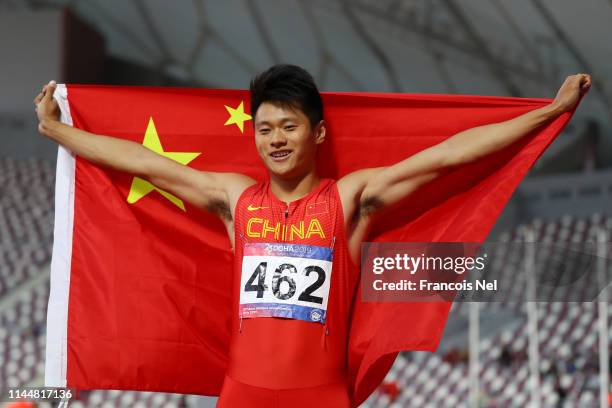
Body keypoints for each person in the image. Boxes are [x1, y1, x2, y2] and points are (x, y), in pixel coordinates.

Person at [34, 65, 591, 407]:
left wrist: (549, 112)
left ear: (317, 132)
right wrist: (58, 130)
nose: (275, 140)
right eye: (265, 129)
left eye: (289, 126)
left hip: (321, 398)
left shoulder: (350, 200)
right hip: (243, 396)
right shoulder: (235, 199)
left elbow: (445, 157)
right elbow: (145, 162)